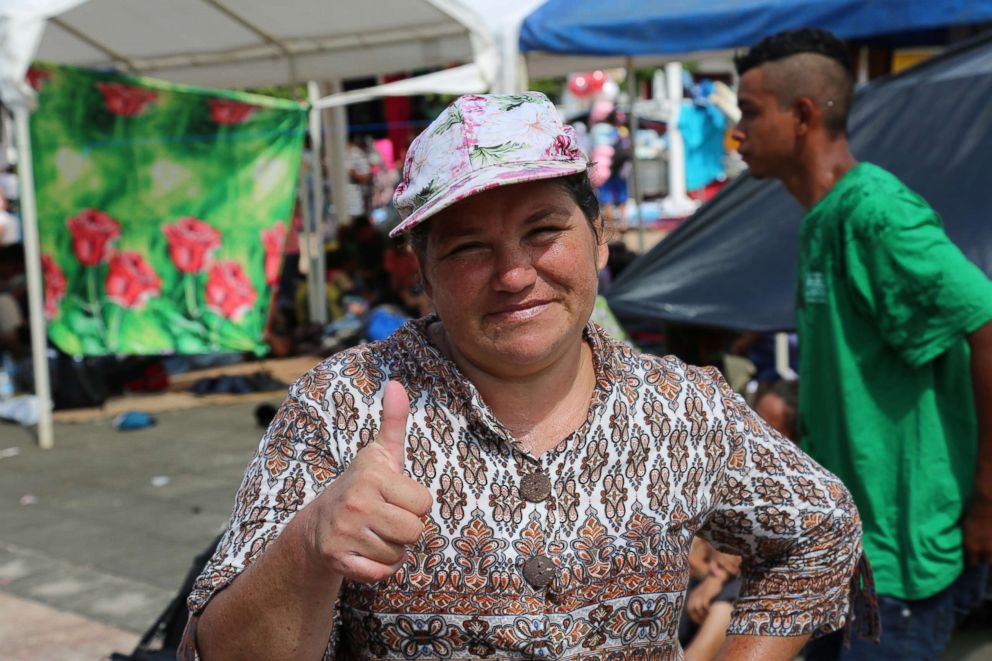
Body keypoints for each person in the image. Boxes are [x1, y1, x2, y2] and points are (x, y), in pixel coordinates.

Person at [181, 92, 871, 660]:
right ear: (420, 272)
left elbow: (820, 527)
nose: (514, 274)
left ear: (599, 238)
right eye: (470, 246)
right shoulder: (341, 404)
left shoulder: (683, 405)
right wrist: (311, 545)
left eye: (543, 231)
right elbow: (218, 651)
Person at [733, 28, 992, 659]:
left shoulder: (876, 213)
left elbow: (987, 325)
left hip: (901, 562)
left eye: (749, 113)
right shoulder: (822, 219)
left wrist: (988, 495)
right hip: (841, 555)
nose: (737, 133)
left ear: (801, 116)